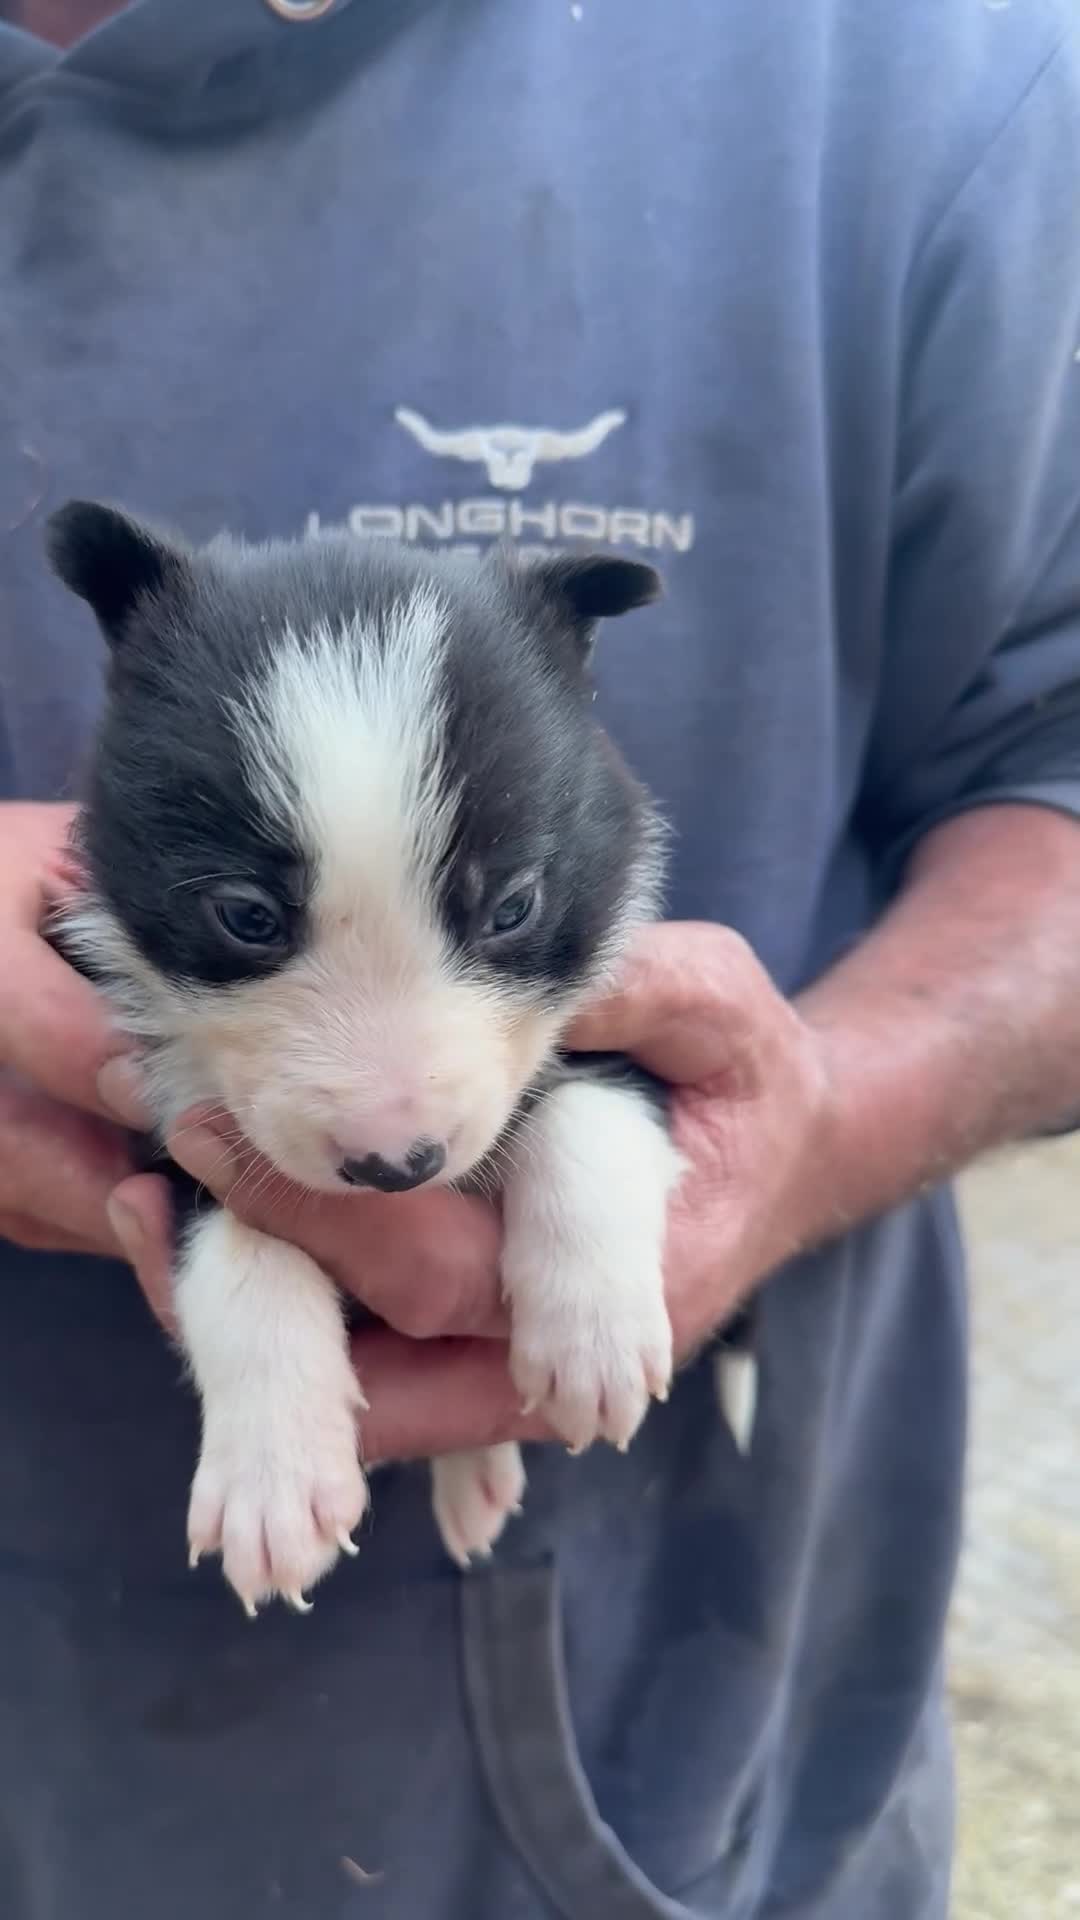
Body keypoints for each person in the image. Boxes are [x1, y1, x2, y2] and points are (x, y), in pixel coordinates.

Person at [2, 0, 1079, 1914]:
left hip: (666, 1753)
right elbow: (223, 1216)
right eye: (255, 936)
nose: (399, 1102)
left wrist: (801, 1125)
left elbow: (1037, 763)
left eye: (489, 926)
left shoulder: (926, 74)